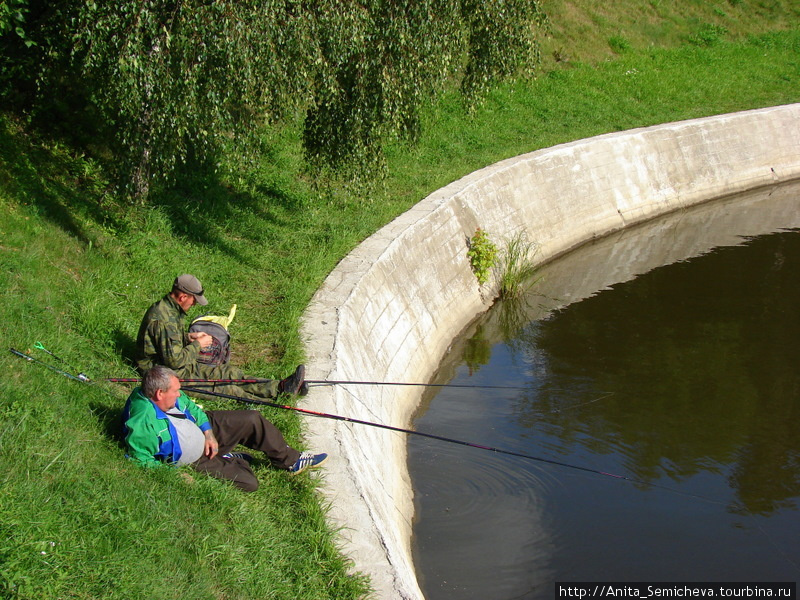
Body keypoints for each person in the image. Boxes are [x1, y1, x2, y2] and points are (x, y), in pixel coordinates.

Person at [122, 365, 327, 491]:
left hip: (200, 430)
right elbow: (139, 460)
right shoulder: (144, 425)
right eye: (175, 391)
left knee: (252, 418)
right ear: (159, 393)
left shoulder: (163, 394)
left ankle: (291, 460)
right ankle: (227, 458)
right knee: (249, 483)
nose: (179, 394)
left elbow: (193, 408)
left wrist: (208, 433)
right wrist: (175, 474)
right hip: (193, 458)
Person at [136, 274, 306, 401]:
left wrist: (189, 337)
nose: (194, 304)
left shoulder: (171, 310)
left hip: (179, 365)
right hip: (164, 374)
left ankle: (282, 387)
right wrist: (197, 345)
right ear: (183, 297)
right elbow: (174, 361)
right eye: (194, 301)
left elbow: (167, 342)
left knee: (229, 372)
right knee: (226, 389)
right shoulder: (163, 319)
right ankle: (274, 400)